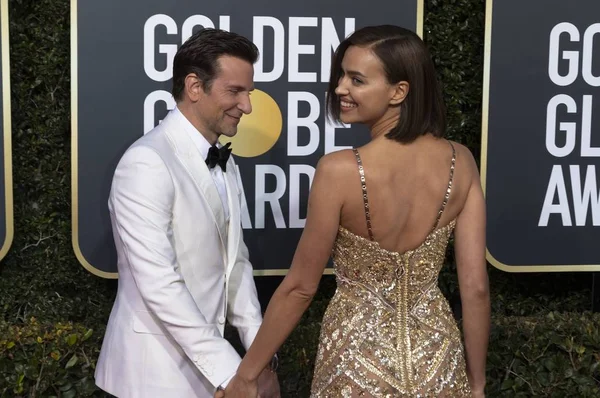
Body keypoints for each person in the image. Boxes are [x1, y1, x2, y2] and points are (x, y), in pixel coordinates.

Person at [219, 25, 490, 397]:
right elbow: (474, 288)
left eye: (357, 79)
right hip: (439, 365)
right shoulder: (463, 162)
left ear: (399, 92)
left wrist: (247, 375)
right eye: (341, 75)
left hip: (356, 365)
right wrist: (476, 383)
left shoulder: (338, 170)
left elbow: (299, 288)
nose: (340, 88)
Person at [94, 28, 280, 398]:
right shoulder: (147, 161)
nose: (247, 106)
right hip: (152, 376)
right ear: (195, 86)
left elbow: (235, 265)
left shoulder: (227, 164)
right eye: (235, 91)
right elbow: (159, 283)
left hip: (211, 371)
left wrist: (260, 357)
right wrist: (232, 373)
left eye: (249, 93)